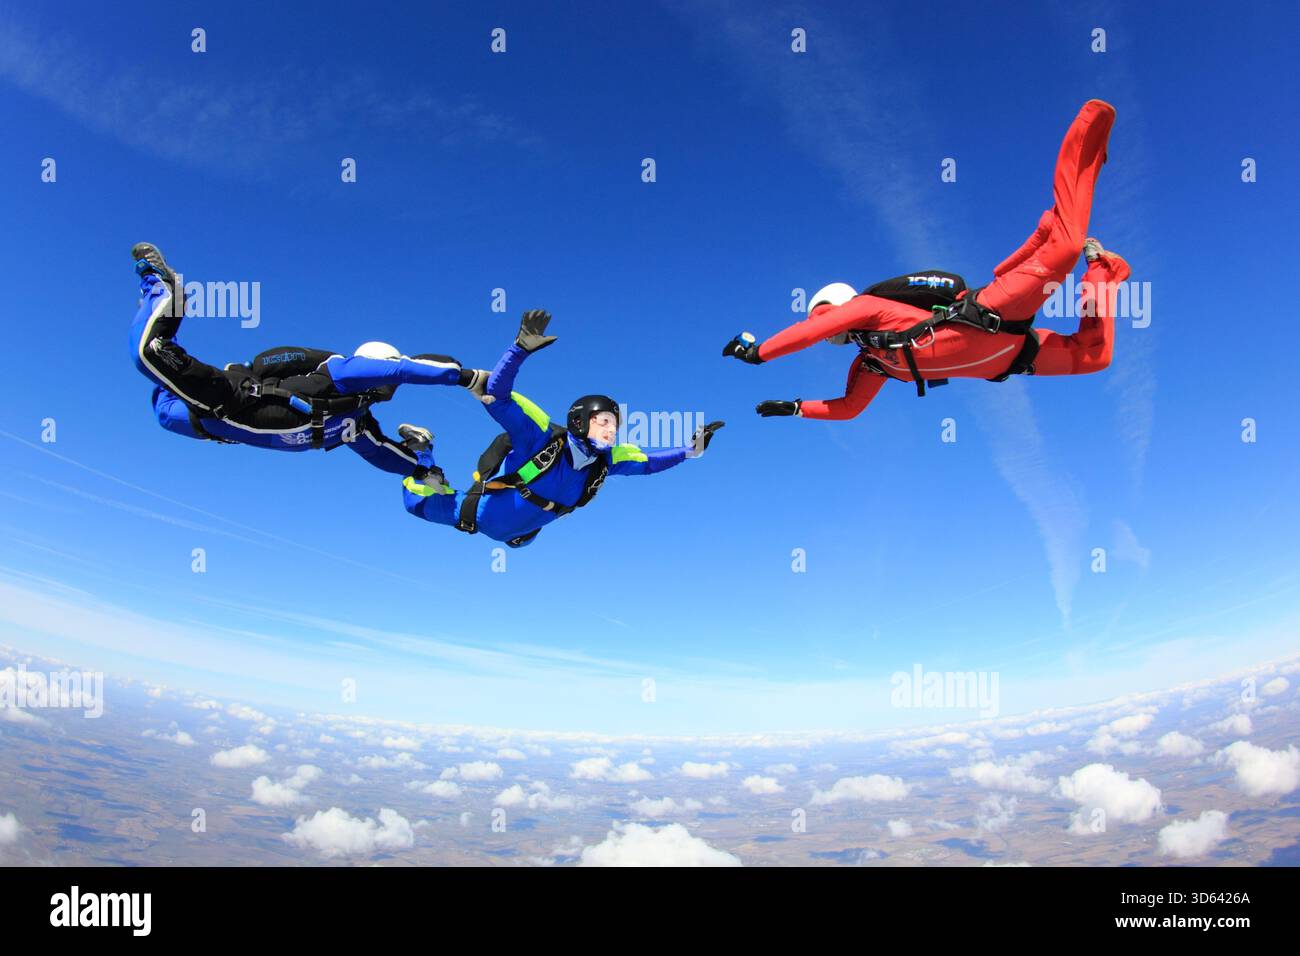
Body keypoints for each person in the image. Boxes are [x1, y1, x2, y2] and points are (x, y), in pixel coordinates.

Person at [722, 100, 1131, 420]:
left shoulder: (868, 309)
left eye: (822, 314)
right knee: (1096, 355)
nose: (825, 332)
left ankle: (1085, 142)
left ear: (834, 307)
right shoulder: (871, 364)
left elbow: (812, 331)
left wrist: (760, 352)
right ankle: (1104, 270)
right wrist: (797, 408)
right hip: (1012, 355)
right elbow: (849, 409)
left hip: (992, 311)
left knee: (1065, 248)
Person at [129, 243, 487, 474]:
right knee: (150, 352)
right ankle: (161, 290)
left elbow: (384, 455)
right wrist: (464, 377)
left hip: (218, 423)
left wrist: (423, 466)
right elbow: (403, 369)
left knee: (164, 409)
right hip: (233, 398)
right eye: (385, 379)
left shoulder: (358, 423)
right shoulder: (343, 372)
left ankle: (159, 313)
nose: (389, 389)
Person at [403, 310, 723, 547]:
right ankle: (423, 449)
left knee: (521, 539)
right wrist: (520, 349)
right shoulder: (540, 439)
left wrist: (690, 451)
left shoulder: (606, 462)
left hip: (518, 535)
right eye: (604, 422)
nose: (612, 431)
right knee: (412, 500)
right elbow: (498, 395)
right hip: (472, 513)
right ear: (580, 421)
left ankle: (440, 476)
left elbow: (650, 463)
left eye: (615, 424)